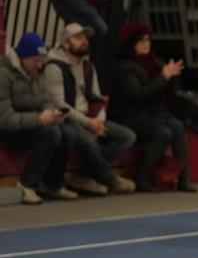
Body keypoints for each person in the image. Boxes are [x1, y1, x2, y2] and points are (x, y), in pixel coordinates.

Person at [43, 23, 136, 196]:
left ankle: (83, 175)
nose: (84, 41)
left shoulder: (88, 67)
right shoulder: (54, 67)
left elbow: (97, 98)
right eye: (78, 38)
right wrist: (88, 123)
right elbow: (60, 105)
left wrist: (98, 121)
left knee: (127, 136)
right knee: (88, 141)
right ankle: (110, 179)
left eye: (85, 37)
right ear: (65, 43)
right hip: (66, 118)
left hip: (88, 117)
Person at [111, 21, 196, 192]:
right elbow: (138, 96)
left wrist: (171, 77)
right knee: (164, 132)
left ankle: (184, 178)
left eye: (148, 40)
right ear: (131, 43)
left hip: (150, 114)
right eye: (141, 40)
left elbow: (167, 95)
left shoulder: (153, 62)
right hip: (129, 116)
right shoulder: (124, 67)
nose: (146, 44)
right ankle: (142, 177)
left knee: (177, 125)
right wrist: (163, 78)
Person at [0, 33, 77, 204]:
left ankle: (53, 184)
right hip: (6, 131)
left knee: (68, 132)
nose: (40, 65)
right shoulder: (3, 74)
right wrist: (39, 119)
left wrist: (53, 113)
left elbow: (44, 100)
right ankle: (26, 185)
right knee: (51, 133)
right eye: (36, 60)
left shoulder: (36, 72)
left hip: (28, 124)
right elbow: (4, 118)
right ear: (22, 57)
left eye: (42, 60)